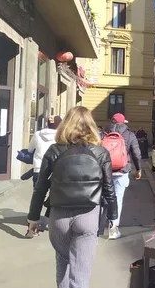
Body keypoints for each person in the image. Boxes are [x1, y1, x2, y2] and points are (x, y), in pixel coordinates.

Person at [27, 106, 118, 288]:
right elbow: (109, 187)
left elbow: (41, 187)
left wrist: (33, 218)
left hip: (59, 216)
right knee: (80, 275)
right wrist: (113, 217)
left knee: (63, 263)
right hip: (88, 216)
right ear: (91, 126)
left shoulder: (54, 150)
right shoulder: (100, 153)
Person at [105, 113, 142, 239]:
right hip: (122, 171)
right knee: (117, 199)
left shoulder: (104, 133)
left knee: (103, 198)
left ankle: (96, 227)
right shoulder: (130, 135)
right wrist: (139, 169)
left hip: (105, 171)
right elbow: (136, 154)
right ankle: (113, 228)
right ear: (123, 123)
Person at [28, 115, 62, 186]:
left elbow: (30, 150)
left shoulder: (37, 134)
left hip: (38, 169)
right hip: (56, 171)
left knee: (37, 194)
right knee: (55, 195)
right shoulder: (61, 135)